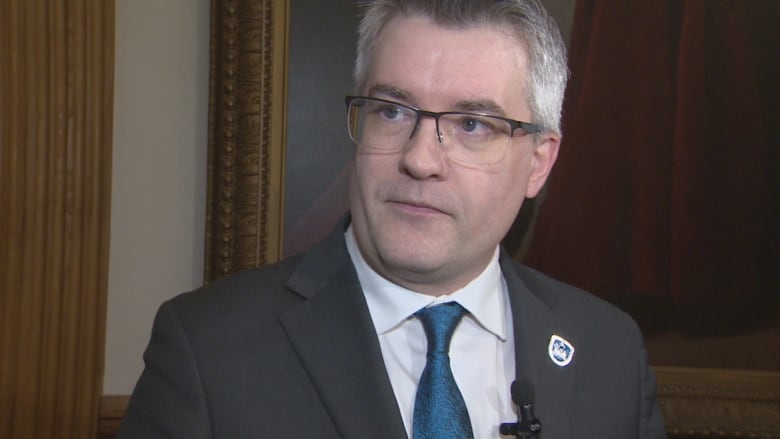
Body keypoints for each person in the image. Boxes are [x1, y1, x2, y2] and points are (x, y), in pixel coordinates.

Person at [119, 1, 666, 438]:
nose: (419, 159)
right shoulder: (207, 350)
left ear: (539, 163)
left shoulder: (609, 352)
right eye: (392, 111)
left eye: (472, 124)